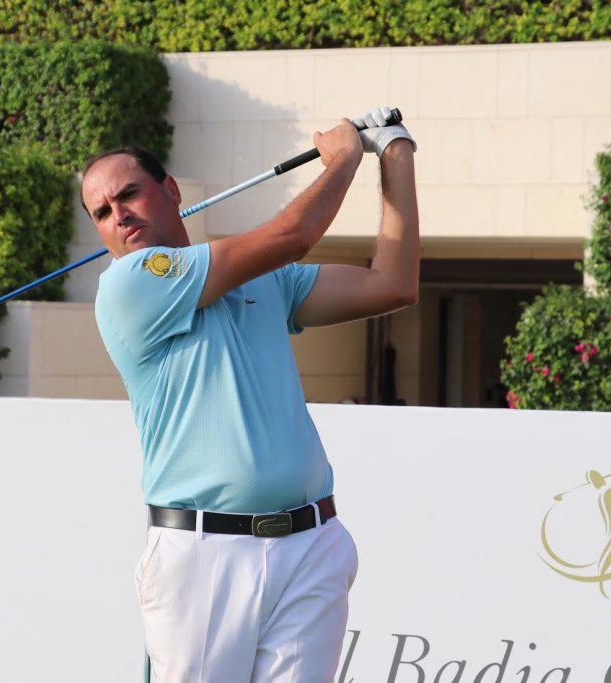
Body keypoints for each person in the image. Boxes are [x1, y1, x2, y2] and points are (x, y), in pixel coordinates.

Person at [80, 107, 418, 682]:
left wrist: (396, 152)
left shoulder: (263, 279)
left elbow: (393, 284)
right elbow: (293, 235)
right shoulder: (128, 285)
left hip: (310, 545)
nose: (120, 216)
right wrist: (343, 159)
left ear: (170, 190)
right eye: (103, 212)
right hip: (204, 554)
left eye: (130, 194)